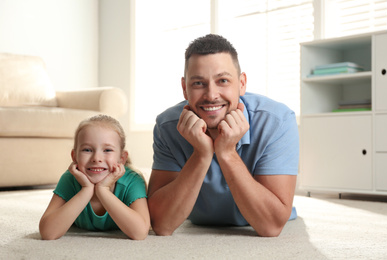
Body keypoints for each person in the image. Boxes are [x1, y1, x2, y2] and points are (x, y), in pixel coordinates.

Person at [147, 34, 299, 237]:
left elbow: (271, 226)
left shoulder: (277, 121)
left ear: (242, 83)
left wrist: (227, 152)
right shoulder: (167, 126)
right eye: (198, 83)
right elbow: (161, 224)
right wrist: (202, 155)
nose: (211, 95)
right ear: (184, 88)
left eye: (223, 80)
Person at [39, 115, 150, 240]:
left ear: (122, 158)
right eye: (87, 150)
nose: (96, 158)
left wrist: (103, 190)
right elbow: (47, 233)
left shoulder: (132, 181)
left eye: (107, 150)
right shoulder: (69, 179)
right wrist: (86, 190)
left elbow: (140, 233)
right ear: (74, 156)